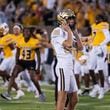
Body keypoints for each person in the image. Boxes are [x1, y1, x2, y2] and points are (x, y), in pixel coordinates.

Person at [1, 27, 46, 101]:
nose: (26, 33)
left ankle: (40, 93)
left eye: (28, 32)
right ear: (23, 33)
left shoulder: (34, 41)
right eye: (25, 32)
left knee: (32, 78)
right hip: (22, 61)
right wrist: (16, 62)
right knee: (13, 74)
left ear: (30, 33)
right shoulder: (20, 40)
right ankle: (8, 93)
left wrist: (38, 67)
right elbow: (18, 52)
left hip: (30, 61)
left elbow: (38, 55)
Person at [51, 9, 83, 110]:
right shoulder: (57, 31)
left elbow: (80, 47)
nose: (72, 21)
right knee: (62, 97)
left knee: (74, 99)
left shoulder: (70, 33)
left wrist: (75, 33)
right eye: (70, 19)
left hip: (69, 68)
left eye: (73, 18)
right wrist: (69, 31)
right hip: (62, 66)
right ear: (63, 20)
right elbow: (68, 44)